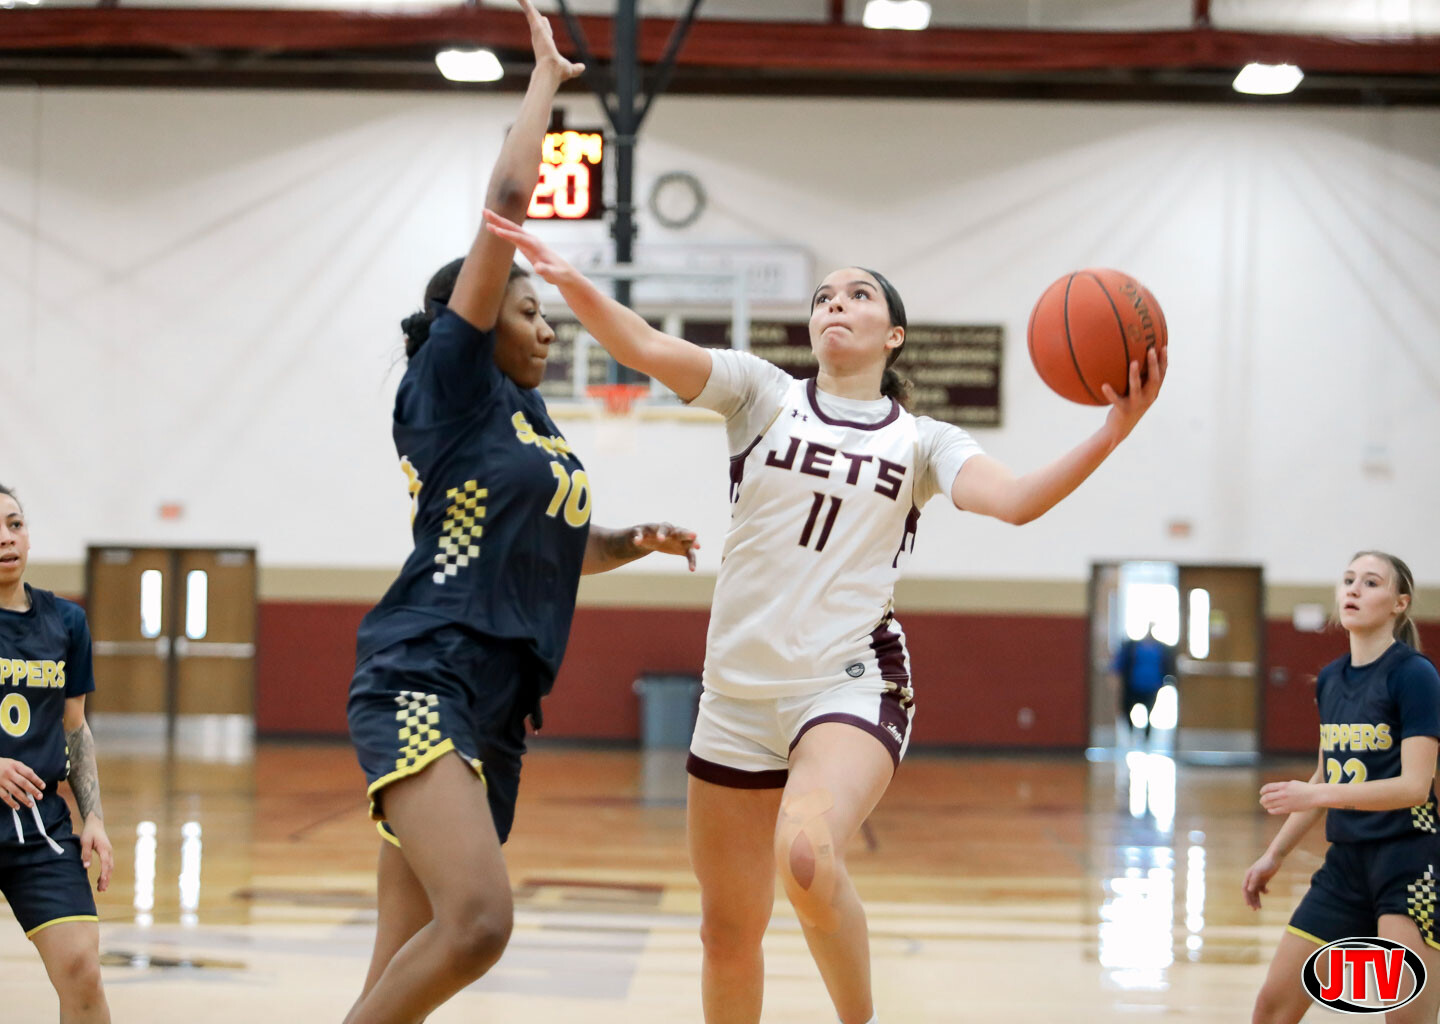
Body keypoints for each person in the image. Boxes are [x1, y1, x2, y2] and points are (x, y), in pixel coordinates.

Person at [482, 210, 1165, 1024]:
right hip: (735, 696)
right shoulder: (760, 392)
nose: (835, 302)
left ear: (895, 336)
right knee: (725, 932)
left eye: (859, 294)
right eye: (824, 296)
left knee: (806, 857)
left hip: (848, 682)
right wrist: (571, 281)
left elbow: (1015, 501)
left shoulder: (924, 441)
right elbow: (645, 345)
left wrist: (1113, 431)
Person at [341, 6, 700, 1022]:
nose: (548, 328)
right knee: (480, 924)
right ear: (477, 315)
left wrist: (626, 542)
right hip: (427, 671)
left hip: (498, 702)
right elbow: (506, 205)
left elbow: (548, 546)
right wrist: (545, 78)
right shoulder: (452, 384)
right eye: (531, 310)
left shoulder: (527, 418)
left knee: (402, 965)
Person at [1245, 551, 1440, 1024]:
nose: (1353, 589)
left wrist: (1317, 794)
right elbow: (1324, 775)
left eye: (1370, 582)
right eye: (1348, 579)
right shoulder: (1331, 678)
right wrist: (1274, 855)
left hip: (1410, 864)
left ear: (1399, 603)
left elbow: (1415, 787)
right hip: (1346, 866)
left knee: (1406, 1019)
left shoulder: (1414, 675)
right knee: (1272, 1009)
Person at [0, 483, 114, 1023]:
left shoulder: (66, 622)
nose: (6, 538)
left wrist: (94, 817)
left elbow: (76, 728)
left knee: (82, 971)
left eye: (15, 524)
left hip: (38, 826)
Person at [1111, 621, 1178, 741]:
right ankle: (1131, 732)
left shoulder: (1161, 648)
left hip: (1152, 685)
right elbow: (1120, 664)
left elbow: (1168, 666)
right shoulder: (1132, 646)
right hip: (1133, 684)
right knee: (1128, 709)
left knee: (1149, 709)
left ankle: (1147, 735)